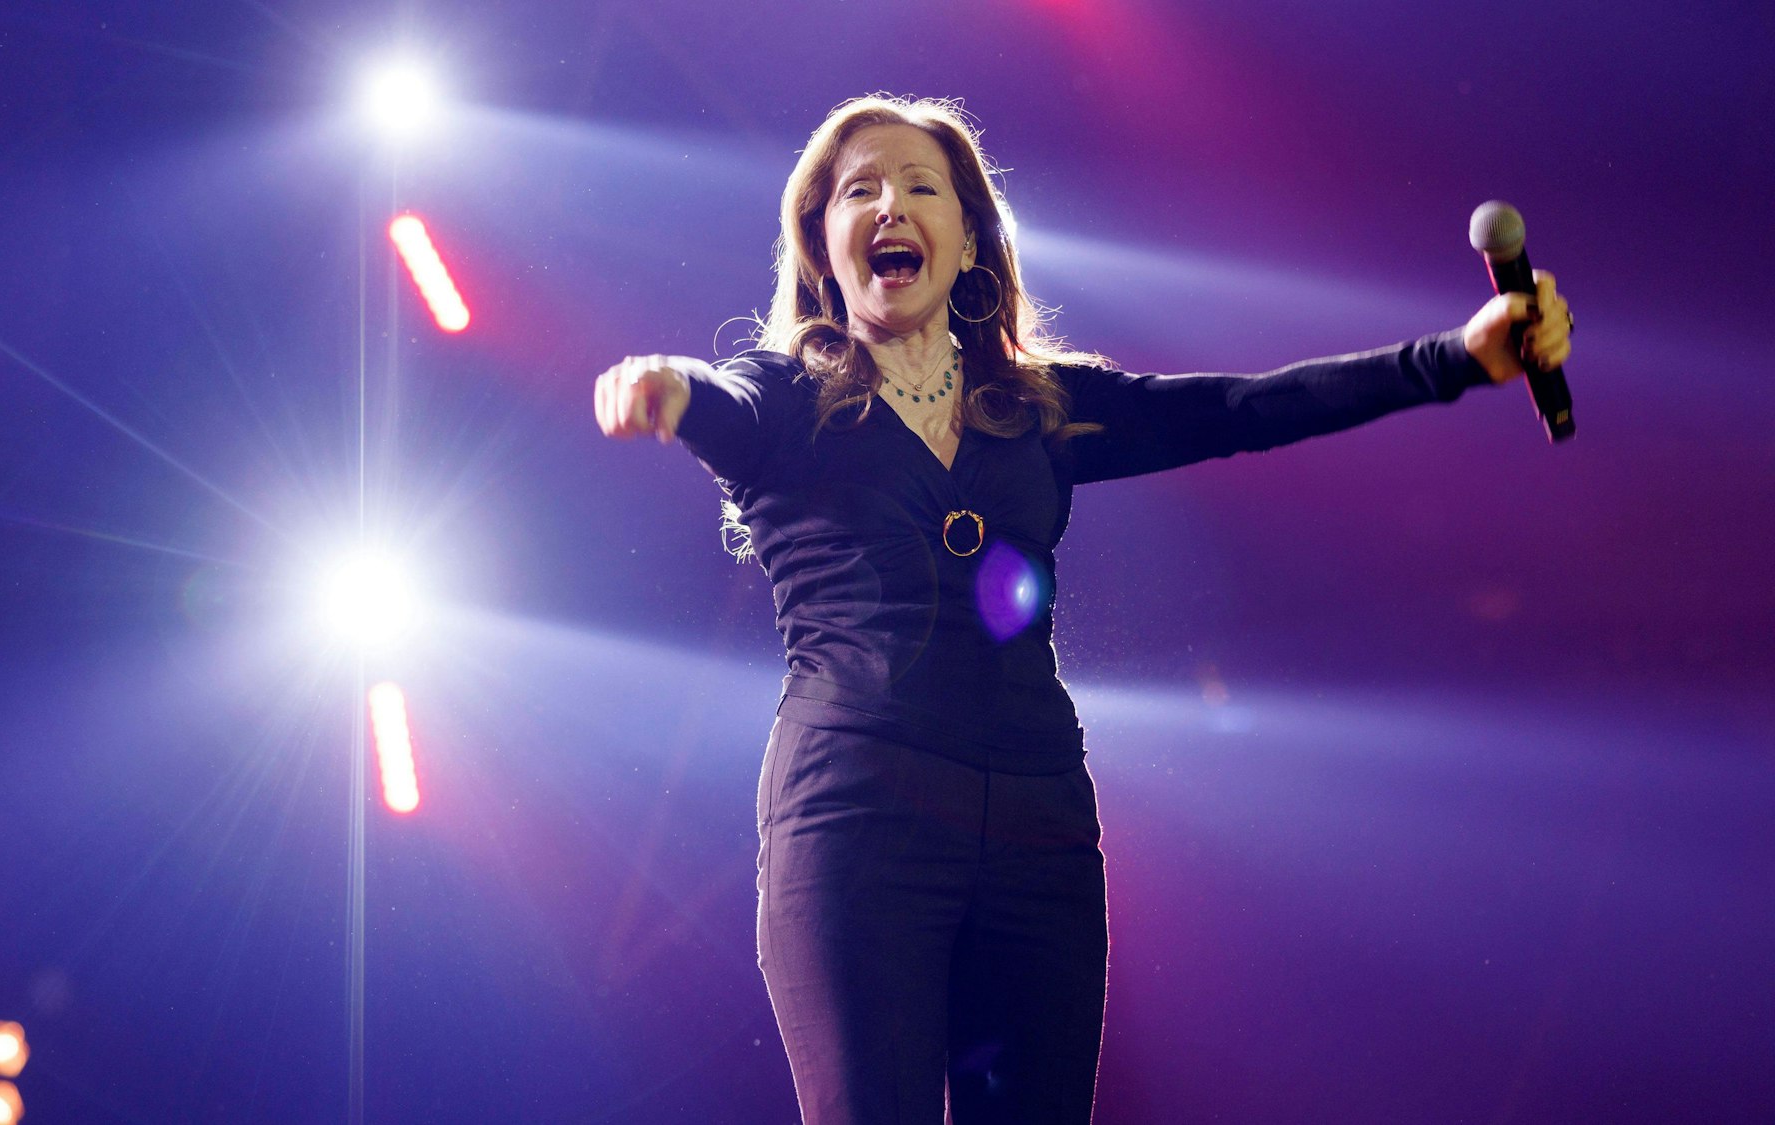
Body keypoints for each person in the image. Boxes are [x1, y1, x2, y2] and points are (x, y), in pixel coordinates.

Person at [591, 95, 1572, 1125]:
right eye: (858, 190)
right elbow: (722, 402)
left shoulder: (1039, 405)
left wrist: (1455, 360)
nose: (891, 206)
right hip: (858, 820)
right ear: (819, 243)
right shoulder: (786, 398)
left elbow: (1234, 410)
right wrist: (670, 387)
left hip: (1036, 828)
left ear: (967, 241)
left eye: (921, 187)